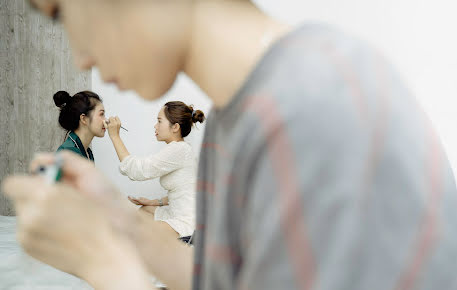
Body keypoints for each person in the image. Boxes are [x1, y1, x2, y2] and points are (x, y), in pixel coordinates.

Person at [3, 1, 457, 290]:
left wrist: (107, 268)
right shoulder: (234, 117)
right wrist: (121, 223)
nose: (80, 55)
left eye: (63, 11)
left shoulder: (318, 108)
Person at [105, 101, 204, 238]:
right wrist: (153, 202)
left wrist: (115, 136)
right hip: (177, 213)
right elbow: (184, 191)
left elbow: (138, 171)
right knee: (145, 210)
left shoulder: (179, 150)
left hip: (188, 222)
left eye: (159, 121)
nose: (155, 126)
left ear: (175, 127)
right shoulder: (181, 148)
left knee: (131, 230)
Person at [54, 90, 106, 161]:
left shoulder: (87, 152)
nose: (106, 120)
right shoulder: (69, 154)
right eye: (101, 114)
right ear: (84, 119)